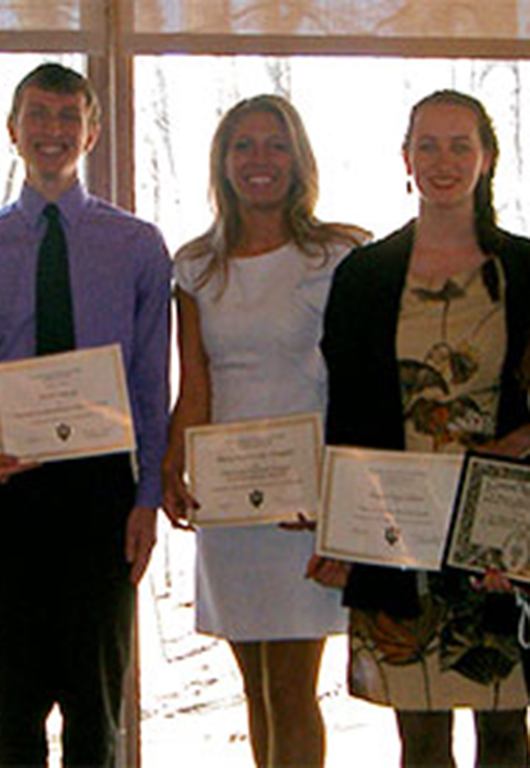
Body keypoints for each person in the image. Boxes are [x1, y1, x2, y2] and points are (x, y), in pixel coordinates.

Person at [0, 62, 171, 767]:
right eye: (39, 114)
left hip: (101, 495)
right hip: (6, 489)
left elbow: (150, 383)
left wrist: (147, 498)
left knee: (95, 708)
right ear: (13, 130)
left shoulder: (137, 245)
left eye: (70, 116)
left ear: (91, 132)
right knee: (10, 708)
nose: (53, 130)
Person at [311, 89, 530, 766]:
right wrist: (338, 528)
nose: (444, 161)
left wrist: (512, 456)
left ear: (487, 157)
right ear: (405, 159)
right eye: (427, 145)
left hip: (502, 533)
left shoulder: (526, 270)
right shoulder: (364, 275)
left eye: (461, 145)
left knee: (506, 734)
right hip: (396, 533)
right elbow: (346, 411)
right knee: (421, 742)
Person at [161, 94, 368, 767]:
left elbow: (360, 385)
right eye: (243, 145)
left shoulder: (339, 254)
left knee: (291, 689)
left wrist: (344, 496)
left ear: (298, 159)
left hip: (304, 501)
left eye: (275, 145)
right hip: (228, 501)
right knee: (254, 690)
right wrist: (171, 466)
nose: (260, 159)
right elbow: (196, 383)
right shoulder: (195, 264)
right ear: (223, 162)